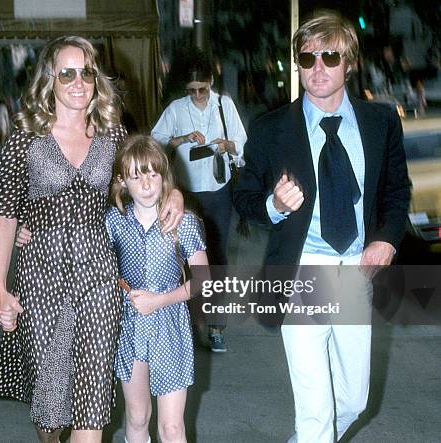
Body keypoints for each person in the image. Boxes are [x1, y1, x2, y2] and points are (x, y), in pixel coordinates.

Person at [0, 36, 184, 443]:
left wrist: (173, 192)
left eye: (86, 72)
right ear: (49, 80)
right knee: (50, 412)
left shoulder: (111, 133)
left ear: (96, 79)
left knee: (91, 403)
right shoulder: (26, 136)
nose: (77, 81)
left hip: (98, 278)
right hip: (40, 278)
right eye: (66, 72)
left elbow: (148, 170)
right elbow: (4, 216)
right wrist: (1, 289)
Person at [233, 12, 410, 443]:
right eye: (307, 58)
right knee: (315, 413)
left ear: (348, 62)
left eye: (329, 57)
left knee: (352, 401)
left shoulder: (380, 122)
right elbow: (244, 197)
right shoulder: (272, 129)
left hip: (354, 272)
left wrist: (386, 238)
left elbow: (395, 191)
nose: (317, 68)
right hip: (302, 273)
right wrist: (274, 205)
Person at [107, 135, 207, 443]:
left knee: (172, 427)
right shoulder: (114, 221)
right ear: (122, 182)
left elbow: (204, 279)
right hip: (129, 325)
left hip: (170, 325)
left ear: (164, 176)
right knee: (136, 418)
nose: (147, 184)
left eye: (153, 174)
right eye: (137, 176)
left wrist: (160, 300)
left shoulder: (183, 223)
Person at [151, 48, 247, 353]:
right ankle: (188, 323)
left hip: (219, 190)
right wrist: (180, 139)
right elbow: (155, 141)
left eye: (202, 90)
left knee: (217, 257)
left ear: (211, 82)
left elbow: (241, 145)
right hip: (185, 192)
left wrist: (226, 145)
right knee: (186, 259)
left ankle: (217, 324)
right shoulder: (177, 109)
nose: (197, 96)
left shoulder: (224, 104)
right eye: (192, 91)